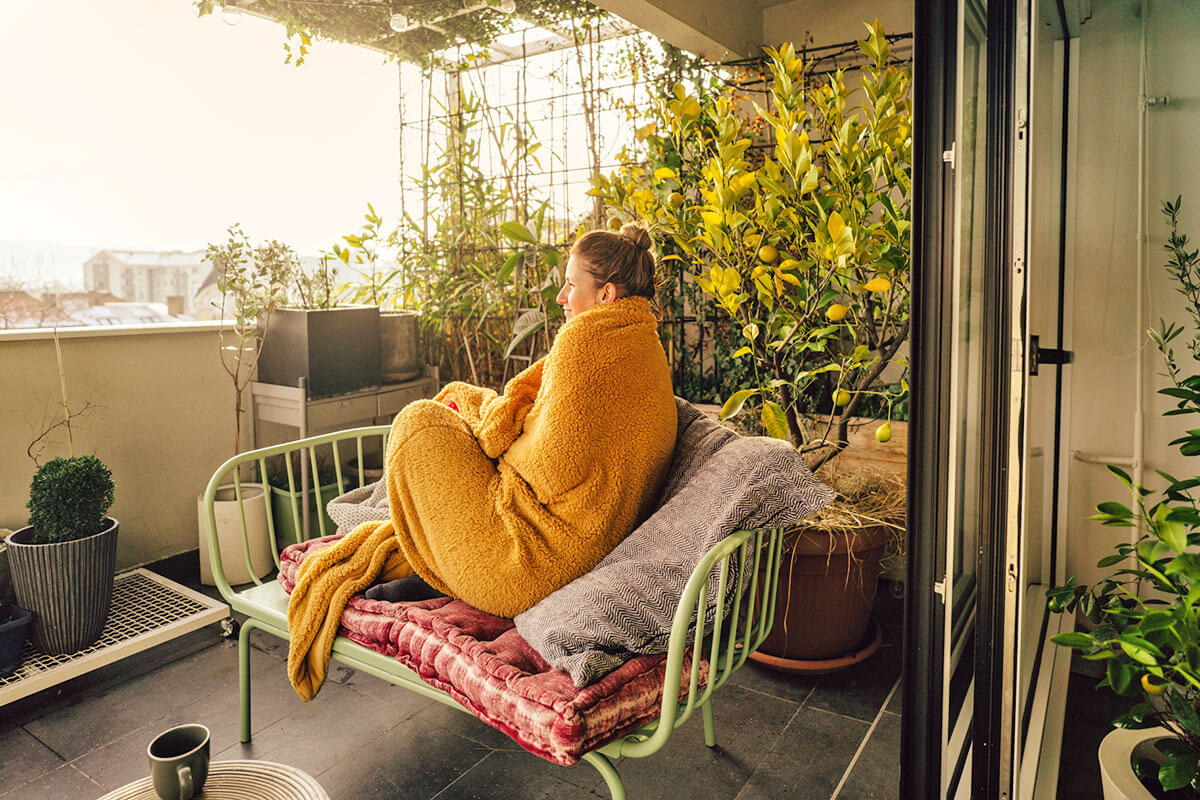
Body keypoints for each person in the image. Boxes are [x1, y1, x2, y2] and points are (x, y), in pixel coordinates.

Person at [285, 223, 678, 700]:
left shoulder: (585, 345)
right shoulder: (646, 347)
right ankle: (428, 561)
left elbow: (545, 466)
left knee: (417, 421)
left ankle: (430, 563)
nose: (561, 297)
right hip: (579, 549)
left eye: (571, 284)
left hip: (526, 563)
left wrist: (489, 430)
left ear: (606, 295)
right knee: (460, 403)